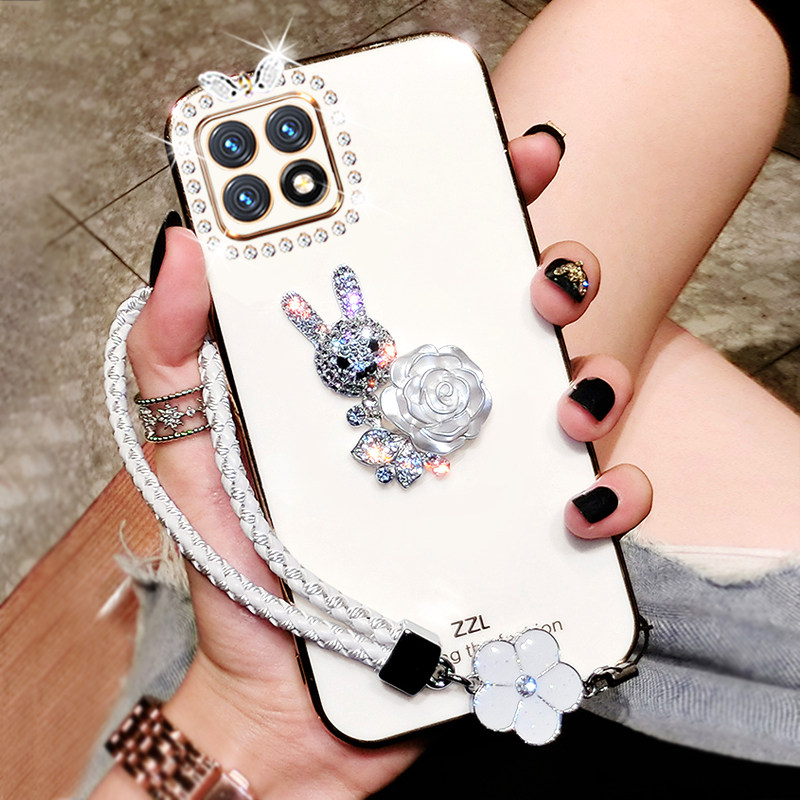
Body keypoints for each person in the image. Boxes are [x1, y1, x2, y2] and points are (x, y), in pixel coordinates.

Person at [89, 0, 799, 797]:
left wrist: (234, 722)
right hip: (623, 670)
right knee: (673, 34)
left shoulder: (247, 706)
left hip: (294, 693)